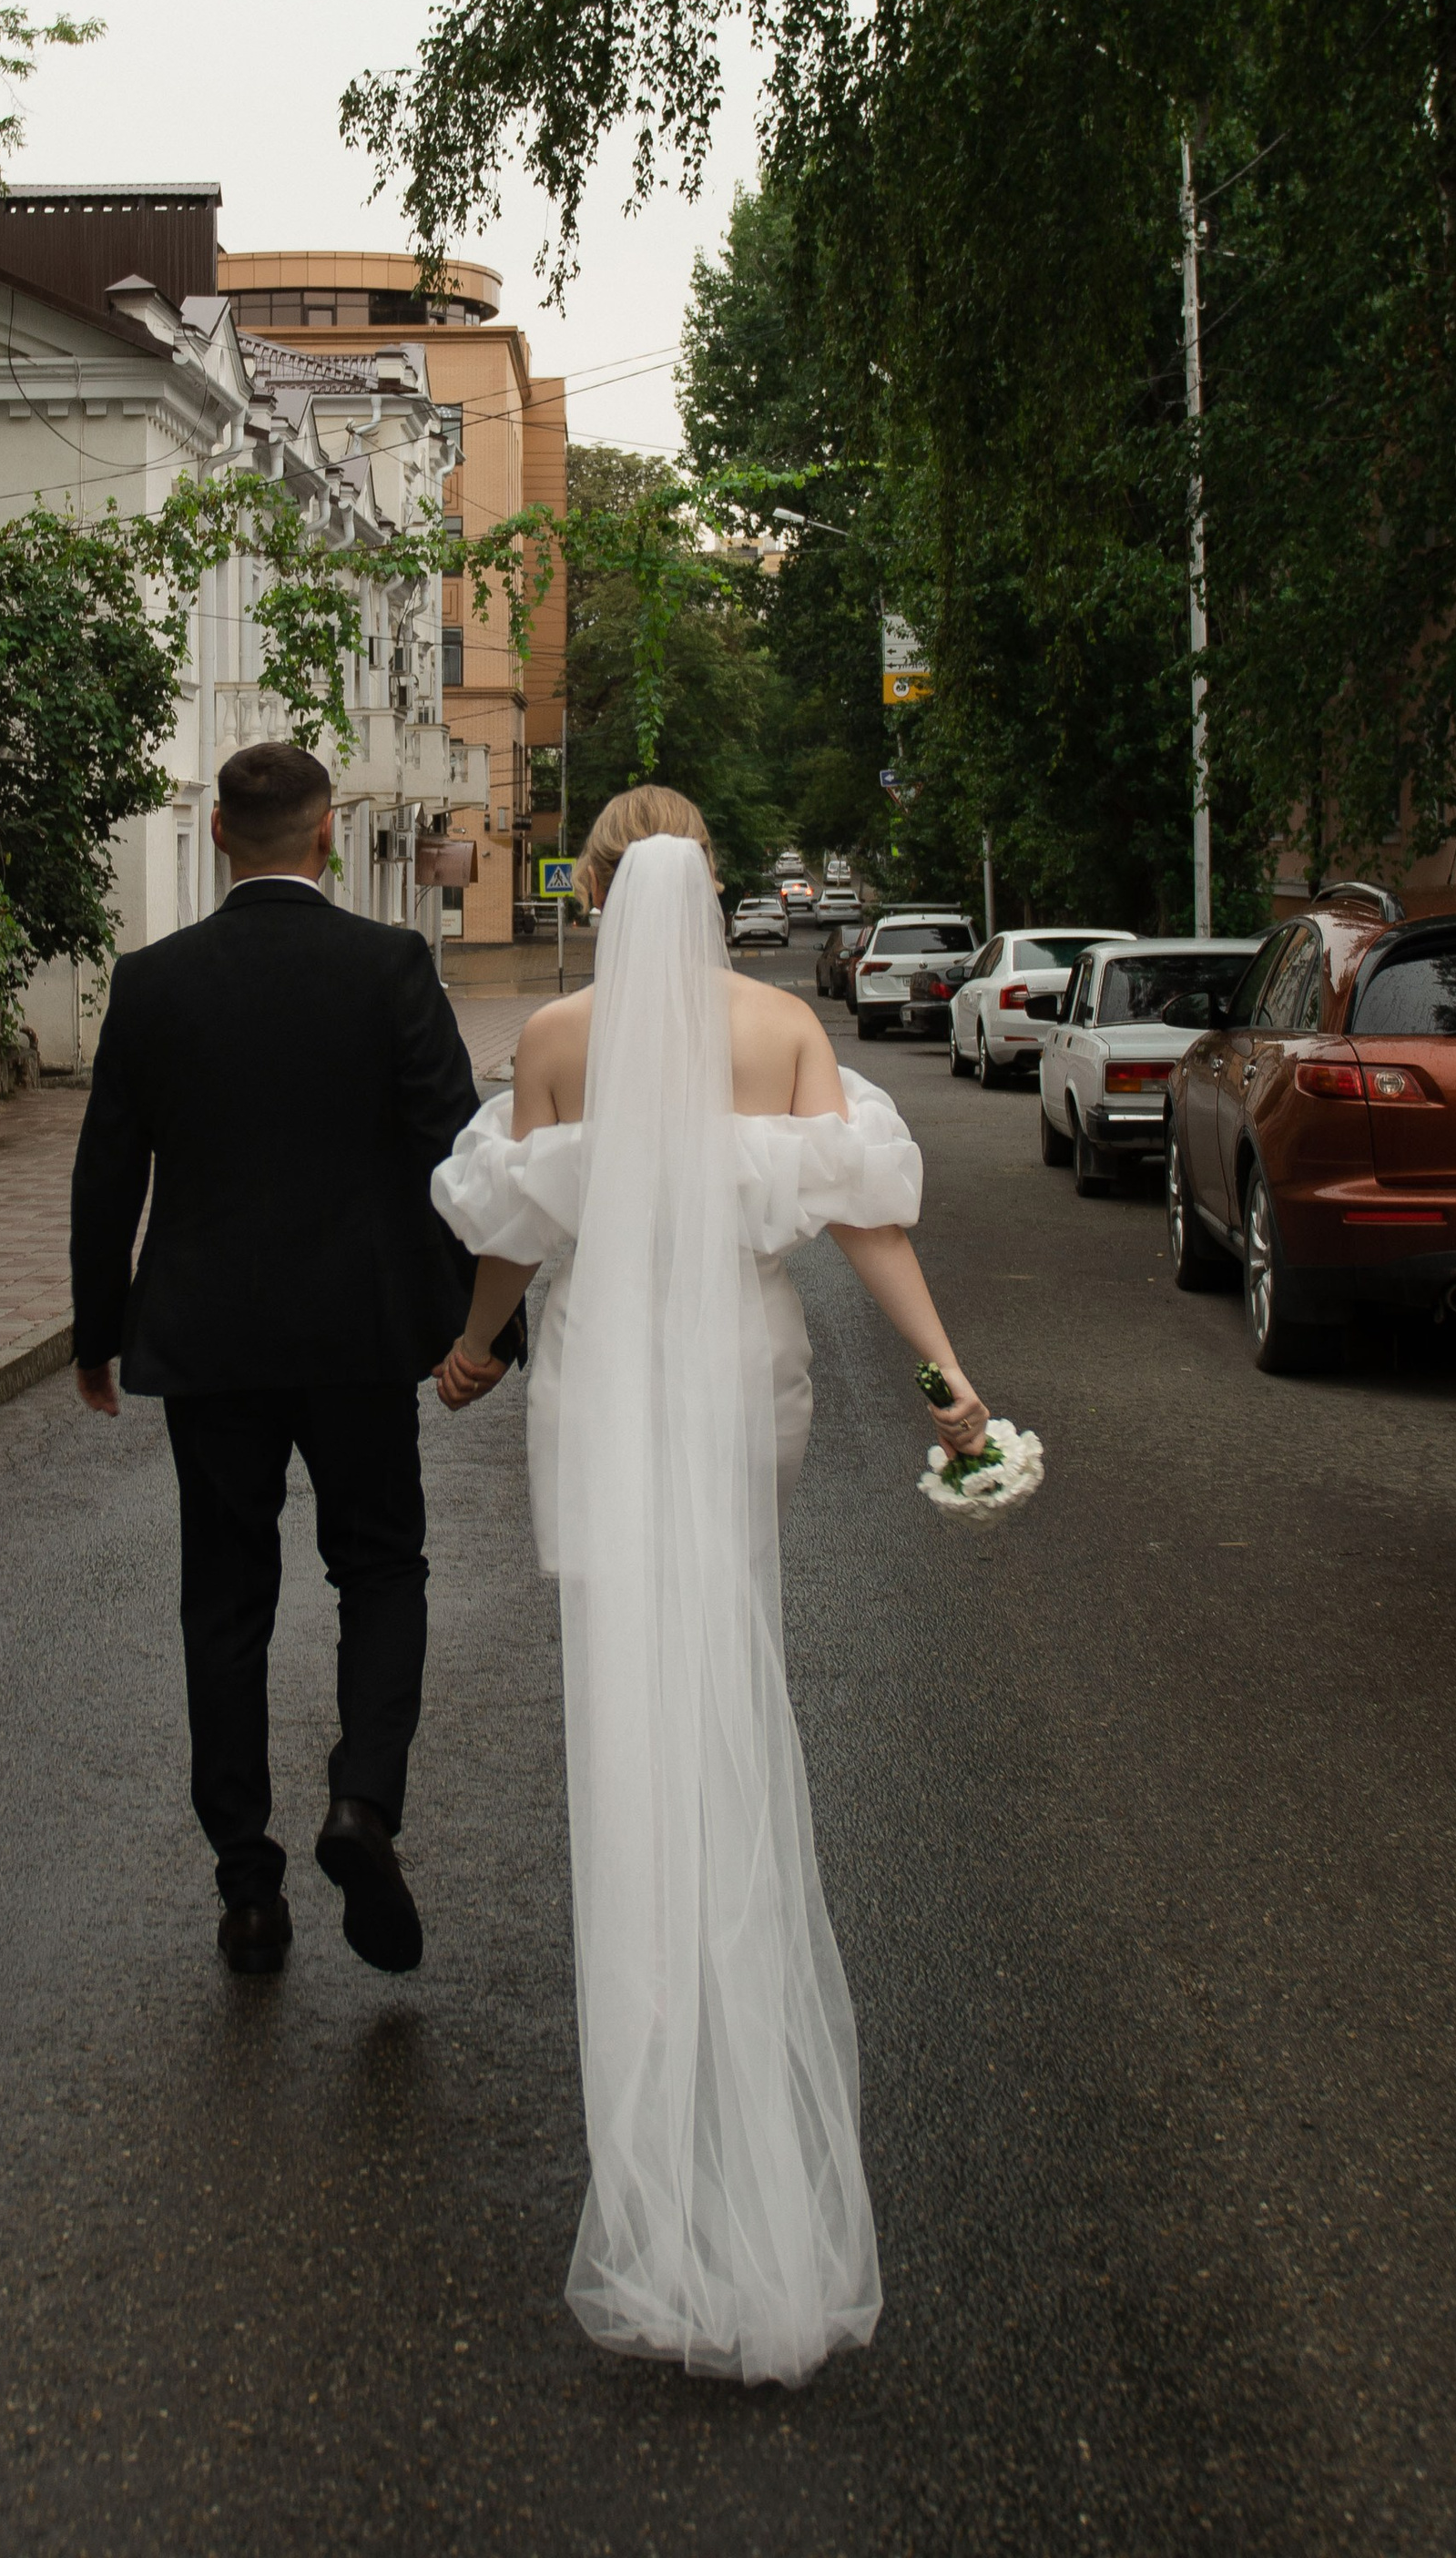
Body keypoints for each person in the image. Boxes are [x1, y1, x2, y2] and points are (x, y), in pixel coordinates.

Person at [429, 787, 988, 2388]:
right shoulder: (782, 1028)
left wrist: (474, 1354)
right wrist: (950, 1377)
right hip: (750, 1379)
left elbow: (517, 1238)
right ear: (714, 888)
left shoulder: (553, 1037)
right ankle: (742, 2060)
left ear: (598, 889)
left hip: (605, 1386)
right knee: (729, 1632)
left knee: (629, 1687)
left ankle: (659, 2128)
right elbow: (866, 1220)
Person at [68, 739, 496, 1983]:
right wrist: (483, 1328)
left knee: (225, 1596)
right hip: (362, 1337)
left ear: (215, 836)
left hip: (206, 1342)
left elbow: (109, 1173)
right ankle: (362, 1803)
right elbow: (452, 1150)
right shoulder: (390, 966)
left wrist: (99, 1332)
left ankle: (246, 1886)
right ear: (323, 839)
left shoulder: (152, 982)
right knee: (379, 1567)